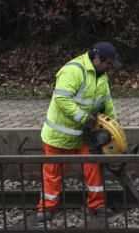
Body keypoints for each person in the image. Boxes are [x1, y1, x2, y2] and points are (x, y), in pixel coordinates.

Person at [36, 43, 120, 222]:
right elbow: (61, 99)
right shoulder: (74, 70)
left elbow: (107, 102)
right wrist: (84, 118)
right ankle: (46, 208)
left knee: (93, 169)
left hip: (84, 136)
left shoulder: (101, 75)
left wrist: (114, 126)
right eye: (107, 63)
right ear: (97, 60)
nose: (109, 67)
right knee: (52, 173)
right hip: (60, 136)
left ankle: (97, 204)